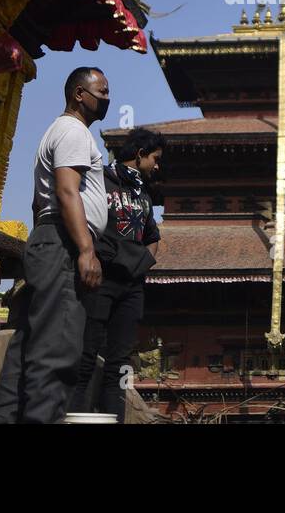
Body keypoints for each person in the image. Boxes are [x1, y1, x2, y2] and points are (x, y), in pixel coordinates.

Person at [0, 67, 111, 423]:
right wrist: (86, 249)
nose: (106, 99)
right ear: (78, 94)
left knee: (28, 345)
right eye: (101, 92)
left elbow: (37, 203)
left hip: (49, 238)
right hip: (65, 244)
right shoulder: (73, 131)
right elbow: (66, 191)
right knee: (56, 349)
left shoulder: (57, 131)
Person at [73, 127, 164, 421]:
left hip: (131, 285)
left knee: (119, 363)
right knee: (86, 356)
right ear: (139, 155)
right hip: (102, 277)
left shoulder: (144, 193)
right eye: (155, 158)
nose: (157, 166)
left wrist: (141, 263)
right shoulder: (100, 179)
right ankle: (75, 416)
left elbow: (153, 235)